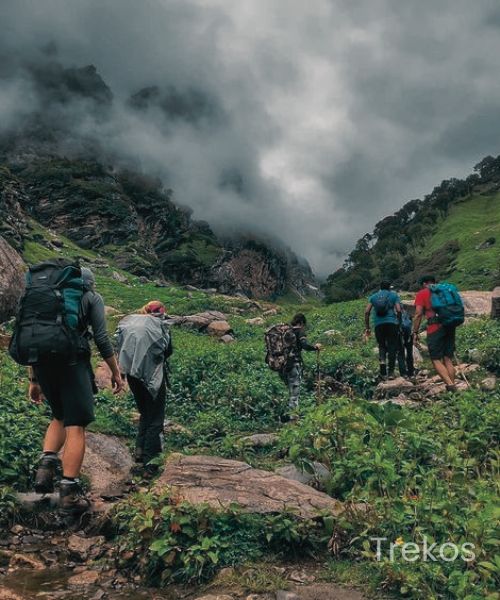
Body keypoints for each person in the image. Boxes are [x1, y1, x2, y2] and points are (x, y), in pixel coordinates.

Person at [29, 267, 123, 515]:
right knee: (76, 425)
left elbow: (34, 336)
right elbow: (101, 337)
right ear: (89, 284)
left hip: (42, 363)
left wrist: (34, 379)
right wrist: (115, 372)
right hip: (72, 363)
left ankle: (45, 472)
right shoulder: (91, 297)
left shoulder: (44, 297)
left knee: (58, 416)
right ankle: (68, 496)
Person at [115, 300, 172, 478]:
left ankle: (139, 451)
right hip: (152, 375)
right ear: (161, 312)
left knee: (145, 413)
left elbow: (118, 343)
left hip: (132, 374)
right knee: (156, 416)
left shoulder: (131, 322)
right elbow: (167, 351)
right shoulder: (159, 326)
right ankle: (150, 463)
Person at [413, 275, 458, 391]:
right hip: (449, 325)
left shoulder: (422, 293)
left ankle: (450, 385)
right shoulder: (444, 290)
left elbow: (418, 314)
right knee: (447, 358)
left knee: (435, 359)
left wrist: (415, 332)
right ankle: (453, 391)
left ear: (424, 284)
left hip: (435, 327)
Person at [280, 313, 322, 416]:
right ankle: (292, 416)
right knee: (295, 392)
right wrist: (315, 347)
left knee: (289, 390)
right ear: (302, 322)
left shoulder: (287, 331)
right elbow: (304, 346)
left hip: (283, 365)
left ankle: (285, 413)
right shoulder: (300, 332)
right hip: (295, 364)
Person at [364, 281, 402, 379]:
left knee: (381, 345)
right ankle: (391, 373)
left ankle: (382, 370)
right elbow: (398, 310)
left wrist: (367, 327)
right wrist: (399, 322)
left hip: (378, 324)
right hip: (392, 323)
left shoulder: (373, 297)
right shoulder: (394, 295)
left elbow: (367, 312)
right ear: (389, 287)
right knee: (392, 346)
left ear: (380, 287)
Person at [397, 308, 415, 378]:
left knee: (400, 353)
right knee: (409, 352)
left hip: (399, 334)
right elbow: (411, 323)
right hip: (409, 334)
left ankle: (403, 373)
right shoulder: (406, 312)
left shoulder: (394, 313)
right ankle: (411, 373)